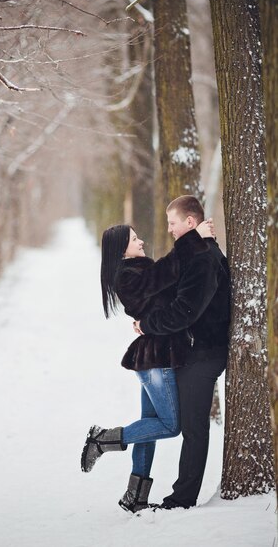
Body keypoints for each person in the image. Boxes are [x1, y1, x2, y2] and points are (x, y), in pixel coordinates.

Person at [80, 218, 213, 513]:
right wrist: (194, 237)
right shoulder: (127, 275)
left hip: (155, 354)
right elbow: (165, 273)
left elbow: (168, 281)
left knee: (149, 427)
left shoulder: (135, 270)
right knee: (170, 425)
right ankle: (103, 439)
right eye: (134, 239)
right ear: (122, 250)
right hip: (157, 358)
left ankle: (135, 496)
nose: (141, 242)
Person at [134, 195, 230, 510]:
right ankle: (139, 491)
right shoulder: (199, 254)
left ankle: (183, 498)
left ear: (190, 222)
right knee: (178, 422)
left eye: (173, 223)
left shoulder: (205, 258)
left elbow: (185, 310)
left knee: (192, 427)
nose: (169, 229)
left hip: (203, 353)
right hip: (194, 350)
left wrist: (149, 324)